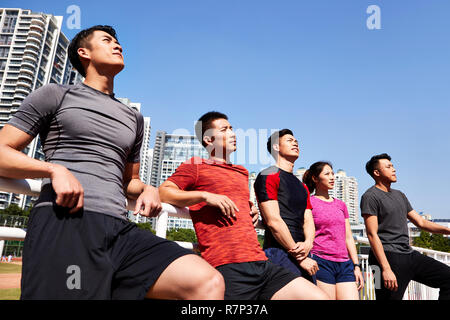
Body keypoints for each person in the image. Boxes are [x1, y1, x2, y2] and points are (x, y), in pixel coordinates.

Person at [0, 25, 224, 300]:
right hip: (66, 220)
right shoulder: (56, 94)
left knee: (206, 282)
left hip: (119, 228)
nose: (117, 45)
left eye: (118, 42)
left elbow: (129, 182)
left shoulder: (133, 118)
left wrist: (148, 189)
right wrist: (53, 169)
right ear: (84, 53)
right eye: (107, 41)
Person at [159, 112, 328, 300]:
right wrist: (205, 196)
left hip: (261, 262)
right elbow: (164, 192)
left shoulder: (242, 172)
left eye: (232, 129)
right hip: (227, 264)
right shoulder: (196, 166)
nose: (232, 133)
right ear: (208, 139)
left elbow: (240, 205)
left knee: (318, 297)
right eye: (224, 129)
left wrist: (251, 209)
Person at [361, 153, 450, 300]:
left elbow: (421, 223)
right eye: (388, 167)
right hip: (386, 258)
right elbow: (372, 234)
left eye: (393, 166)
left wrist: (448, 230)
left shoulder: (400, 195)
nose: (394, 169)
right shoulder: (370, 196)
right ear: (376, 173)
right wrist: (386, 268)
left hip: (408, 255)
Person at [253, 129, 318, 285]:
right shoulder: (268, 175)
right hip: (280, 252)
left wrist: (308, 243)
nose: (295, 142)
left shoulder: (302, 187)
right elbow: (273, 221)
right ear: (276, 147)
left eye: (296, 141)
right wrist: (299, 256)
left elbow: (308, 220)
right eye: (289, 140)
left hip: (304, 254)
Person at [302, 161, 364, 300]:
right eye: (327, 174)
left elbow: (348, 237)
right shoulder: (309, 203)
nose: (332, 177)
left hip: (344, 263)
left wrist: (356, 266)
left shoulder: (341, 205)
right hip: (321, 262)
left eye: (333, 174)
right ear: (315, 178)